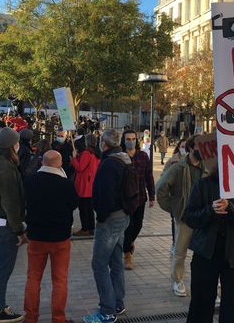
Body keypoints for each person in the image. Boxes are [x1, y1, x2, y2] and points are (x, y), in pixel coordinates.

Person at [183, 165, 234, 322]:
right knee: (200, 306)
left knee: (233, 309)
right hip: (205, 253)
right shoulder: (204, 184)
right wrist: (210, 211)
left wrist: (232, 209)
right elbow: (189, 217)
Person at [24, 150, 79, 323]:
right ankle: (58, 318)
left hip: (36, 237)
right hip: (60, 238)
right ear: (60, 164)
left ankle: (31, 318)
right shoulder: (66, 184)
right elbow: (74, 204)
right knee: (60, 280)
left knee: (33, 278)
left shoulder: (30, 181)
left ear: (42, 163)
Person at [83, 129, 130, 323]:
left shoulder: (109, 164)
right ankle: (117, 302)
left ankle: (107, 311)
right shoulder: (124, 159)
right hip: (122, 216)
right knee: (116, 260)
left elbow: (104, 195)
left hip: (110, 219)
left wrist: (101, 217)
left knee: (99, 263)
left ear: (104, 143)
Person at [0, 127, 27, 323]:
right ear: (12, 145)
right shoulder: (7, 168)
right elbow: (10, 202)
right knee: (2, 268)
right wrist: (18, 229)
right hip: (3, 224)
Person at [156, 135, 207, 297]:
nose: (202, 151)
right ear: (191, 148)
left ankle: (206, 281)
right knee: (180, 250)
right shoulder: (178, 168)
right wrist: (173, 208)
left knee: (205, 250)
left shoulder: (207, 167)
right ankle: (177, 280)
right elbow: (161, 188)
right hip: (185, 216)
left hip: (204, 216)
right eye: (199, 148)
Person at [121, 129, 155, 270]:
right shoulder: (120, 157)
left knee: (138, 225)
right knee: (128, 226)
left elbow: (149, 176)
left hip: (140, 197)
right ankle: (127, 253)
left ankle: (129, 244)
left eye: (133, 138)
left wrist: (152, 196)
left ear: (137, 140)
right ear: (123, 141)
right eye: (128, 139)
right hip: (125, 199)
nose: (131, 141)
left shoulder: (143, 156)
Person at [71, 135, 100, 236]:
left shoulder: (87, 153)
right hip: (91, 184)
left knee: (83, 208)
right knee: (89, 208)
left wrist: (74, 159)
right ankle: (91, 228)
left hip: (85, 185)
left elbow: (80, 167)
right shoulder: (96, 153)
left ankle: (85, 228)